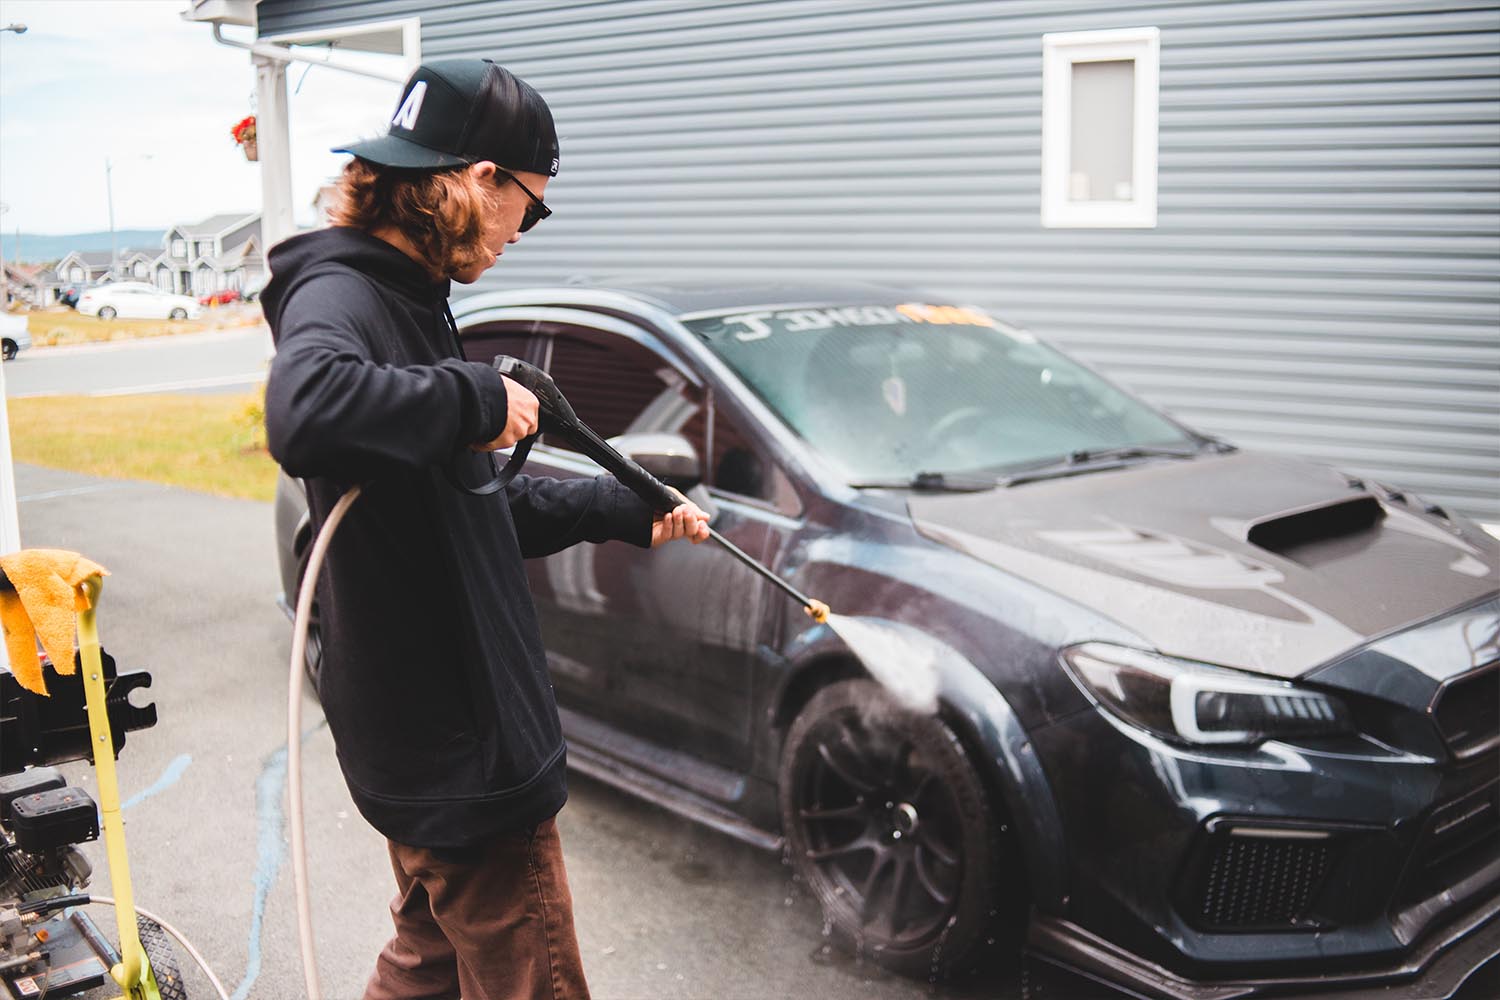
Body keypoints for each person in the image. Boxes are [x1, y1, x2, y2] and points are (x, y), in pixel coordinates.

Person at [261, 58, 710, 1000]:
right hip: (460, 758)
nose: (523, 230)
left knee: (424, 969)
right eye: (529, 207)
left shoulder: (412, 302)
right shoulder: (345, 295)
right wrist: (473, 394)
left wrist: (623, 506)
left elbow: (468, 507)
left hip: (433, 754)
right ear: (473, 182)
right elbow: (303, 411)